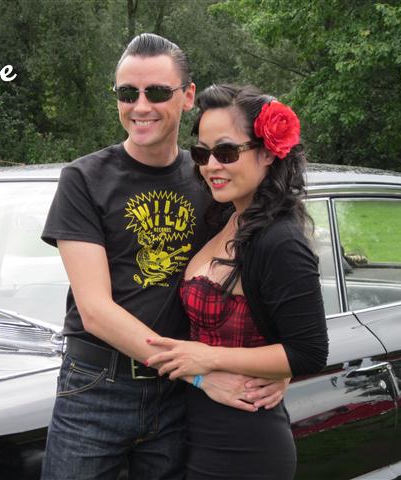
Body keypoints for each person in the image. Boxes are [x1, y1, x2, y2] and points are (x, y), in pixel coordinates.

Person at [40, 35, 288, 480]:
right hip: (98, 387)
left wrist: (282, 365)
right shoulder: (83, 179)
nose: (140, 106)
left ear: (188, 96)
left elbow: (260, 274)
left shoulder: (212, 176)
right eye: (127, 93)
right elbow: (95, 311)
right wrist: (198, 375)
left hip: (180, 400)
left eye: (156, 92)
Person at [146, 84, 329, 479]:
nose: (211, 165)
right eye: (201, 154)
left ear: (268, 152)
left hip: (244, 444)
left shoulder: (280, 241)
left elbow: (309, 352)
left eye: (226, 152)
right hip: (193, 429)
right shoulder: (223, 217)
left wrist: (209, 358)